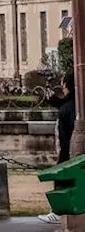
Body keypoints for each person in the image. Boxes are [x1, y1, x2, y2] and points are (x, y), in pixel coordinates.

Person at [39, 75, 76, 224]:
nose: (62, 88)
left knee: (63, 180)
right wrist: (55, 101)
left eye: (64, 85)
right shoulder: (72, 103)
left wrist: (64, 155)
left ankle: (60, 212)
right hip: (69, 148)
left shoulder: (68, 108)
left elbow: (67, 113)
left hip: (68, 151)